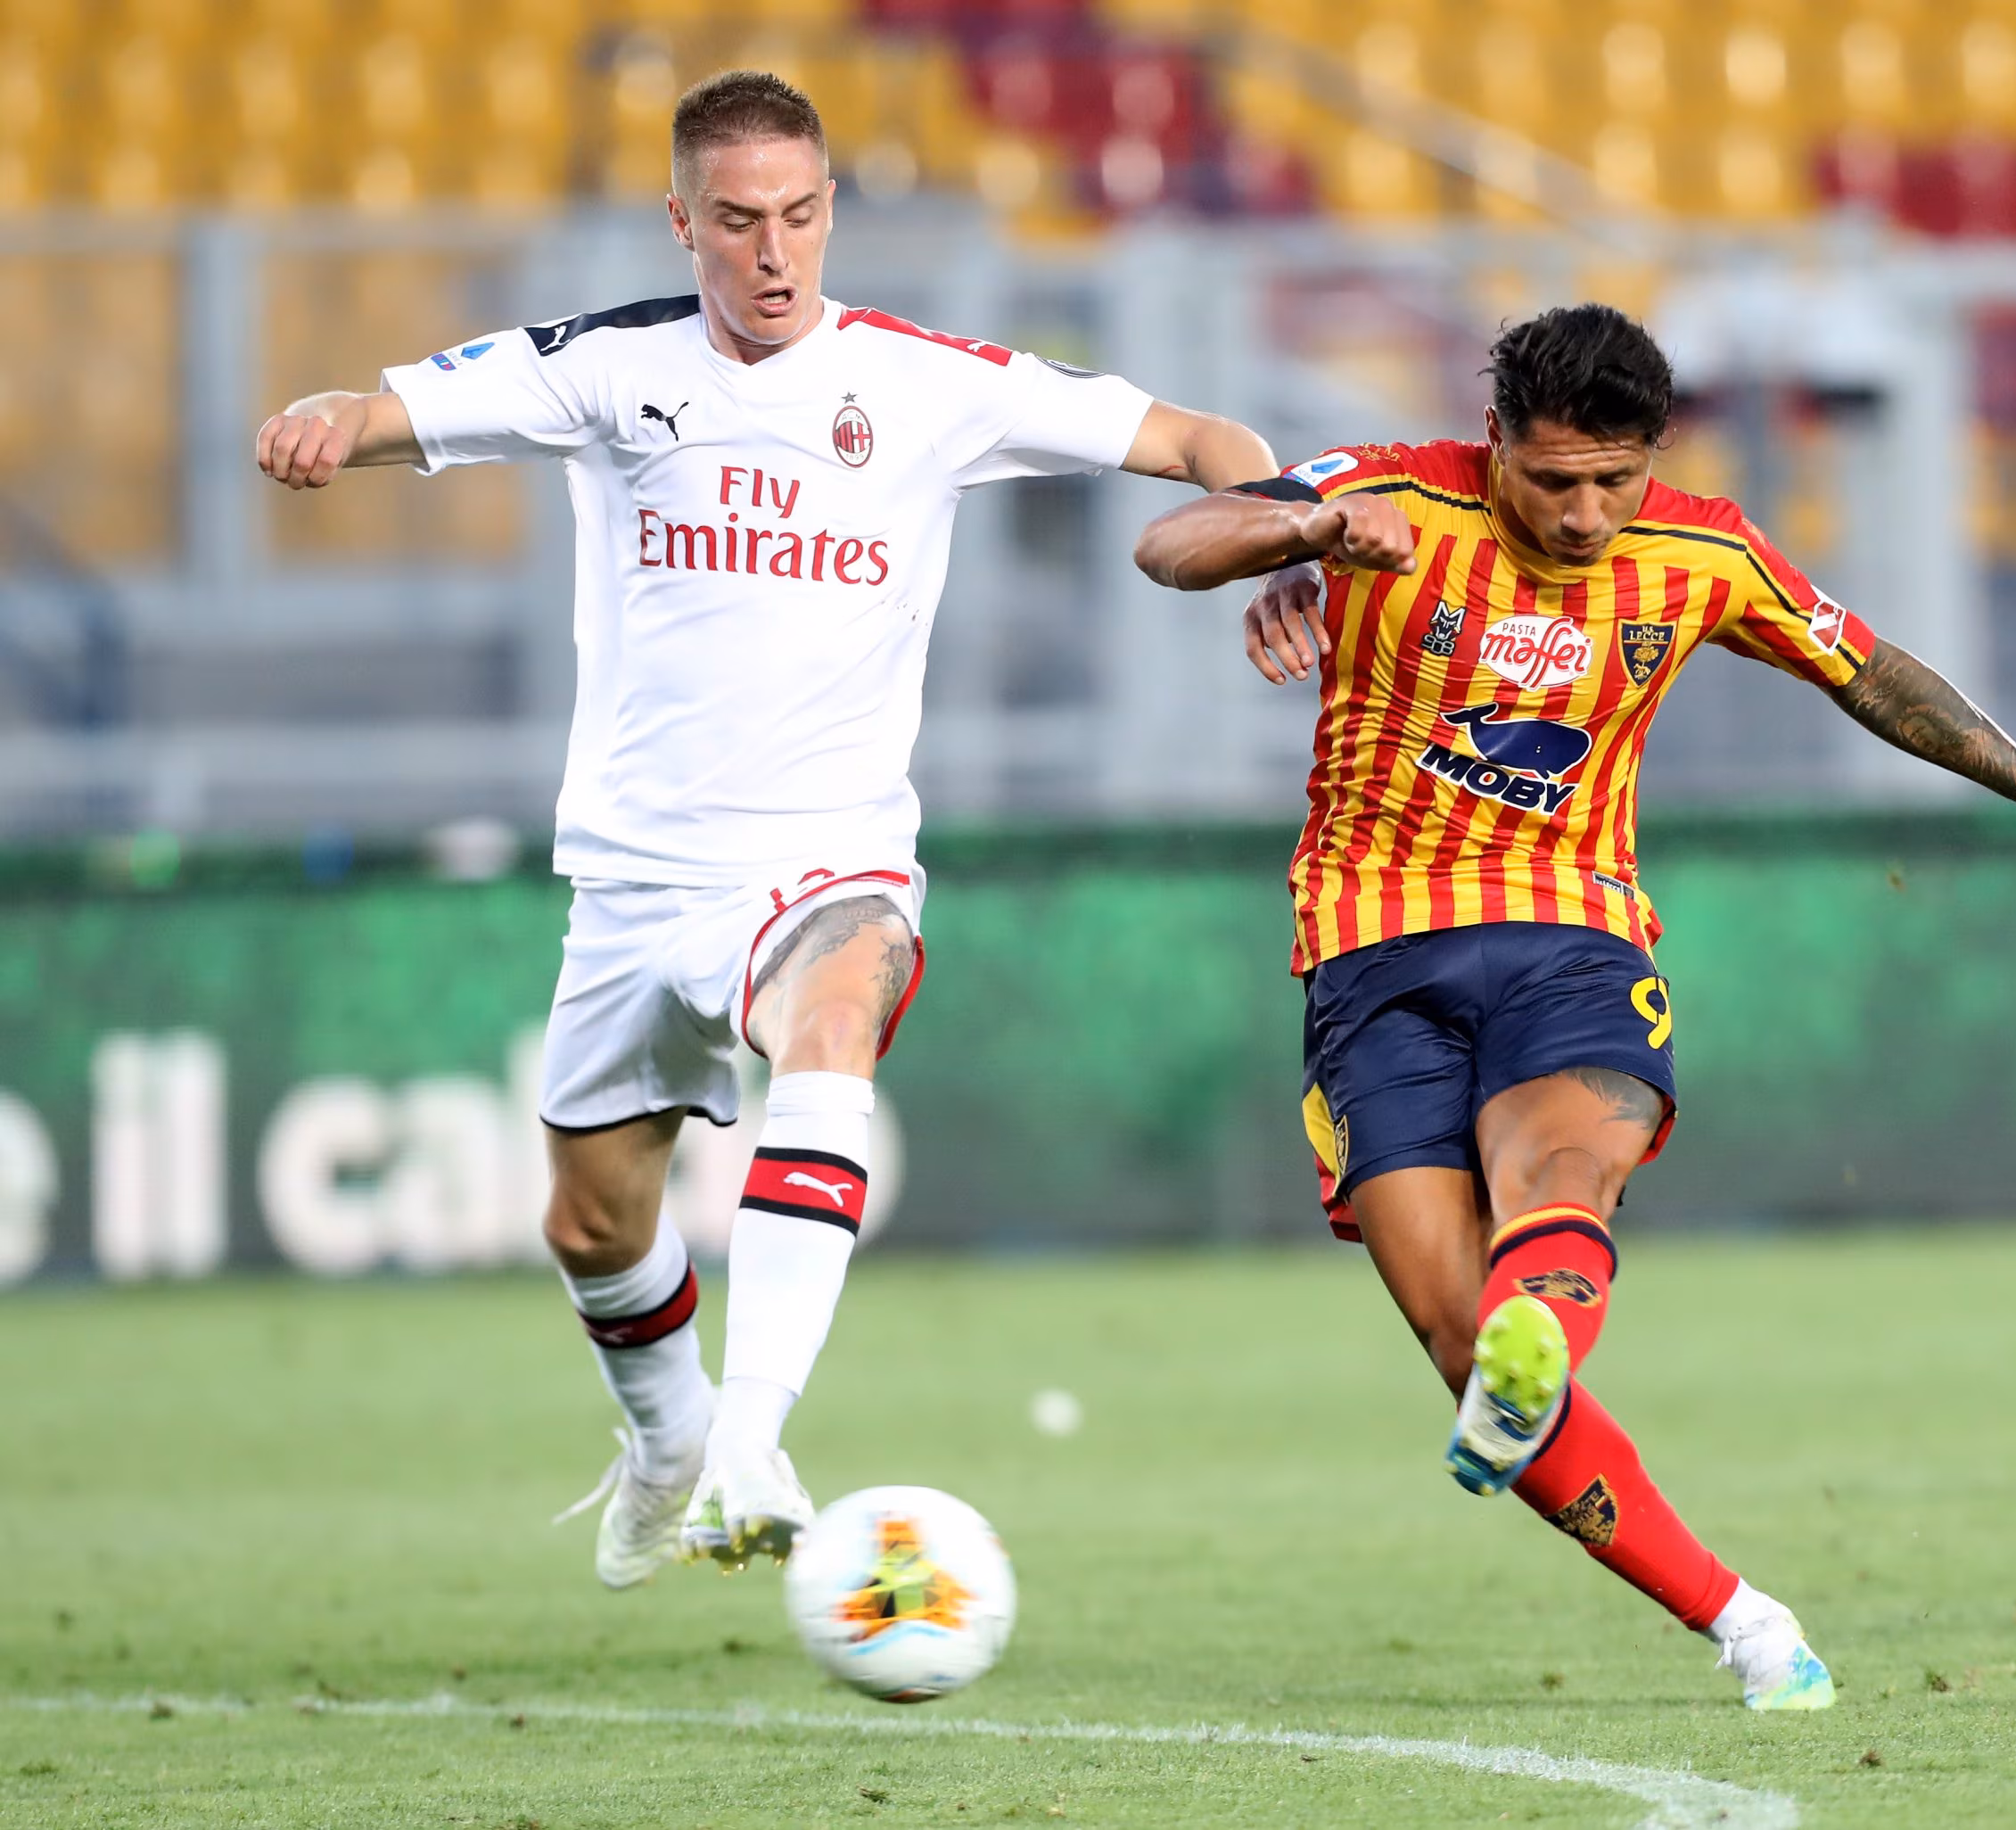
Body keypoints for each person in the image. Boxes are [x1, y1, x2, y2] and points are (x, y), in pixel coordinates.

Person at [254, 70, 1276, 1588]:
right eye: (737, 221)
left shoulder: (928, 381)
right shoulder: (611, 368)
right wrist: (330, 420)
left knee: (837, 1011)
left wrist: (1284, 543)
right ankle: (669, 1439)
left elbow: (1206, 437)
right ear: (683, 223)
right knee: (594, 1227)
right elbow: (393, 412)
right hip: (634, 876)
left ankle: (752, 1436)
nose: (774, 252)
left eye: (799, 214)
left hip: (823, 857)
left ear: (831, 210)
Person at [1131, 302, 2016, 1710]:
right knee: (1459, 1338)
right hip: (1370, 954)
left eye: (1614, 481)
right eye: (1554, 480)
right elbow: (1171, 542)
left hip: (1571, 932)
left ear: (1652, 458)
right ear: (1496, 442)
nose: (1584, 515)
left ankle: (1568, 1375)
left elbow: (1867, 671)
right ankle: (1744, 1615)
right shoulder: (1389, 492)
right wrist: (1305, 534)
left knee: (1559, 1179)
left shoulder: (1703, 550)